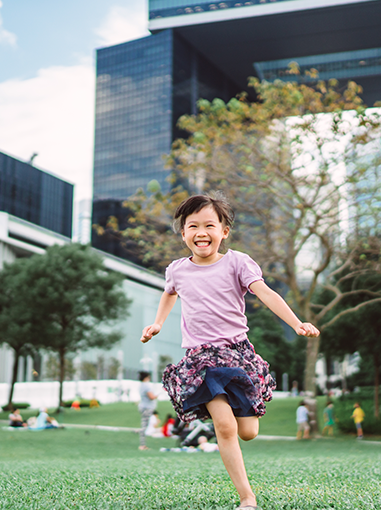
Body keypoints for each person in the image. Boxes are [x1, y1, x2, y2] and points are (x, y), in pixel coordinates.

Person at [140, 193, 320, 510]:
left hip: (237, 354)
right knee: (225, 427)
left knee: (247, 432)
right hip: (201, 359)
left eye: (209, 225)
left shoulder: (237, 262)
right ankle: (247, 498)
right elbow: (170, 293)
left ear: (223, 231)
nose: (200, 232)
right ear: (183, 233)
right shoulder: (177, 270)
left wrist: (295, 322)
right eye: (192, 226)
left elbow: (265, 292)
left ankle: (241, 417)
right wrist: (157, 323)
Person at [138, 371, 157, 450]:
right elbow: (151, 397)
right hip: (147, 408)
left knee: (144, 426)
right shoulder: (146, 386)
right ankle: (142, 445)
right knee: (144, 426)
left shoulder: (141, 385)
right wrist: (158, 395)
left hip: (143, 406)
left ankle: (142, 444)